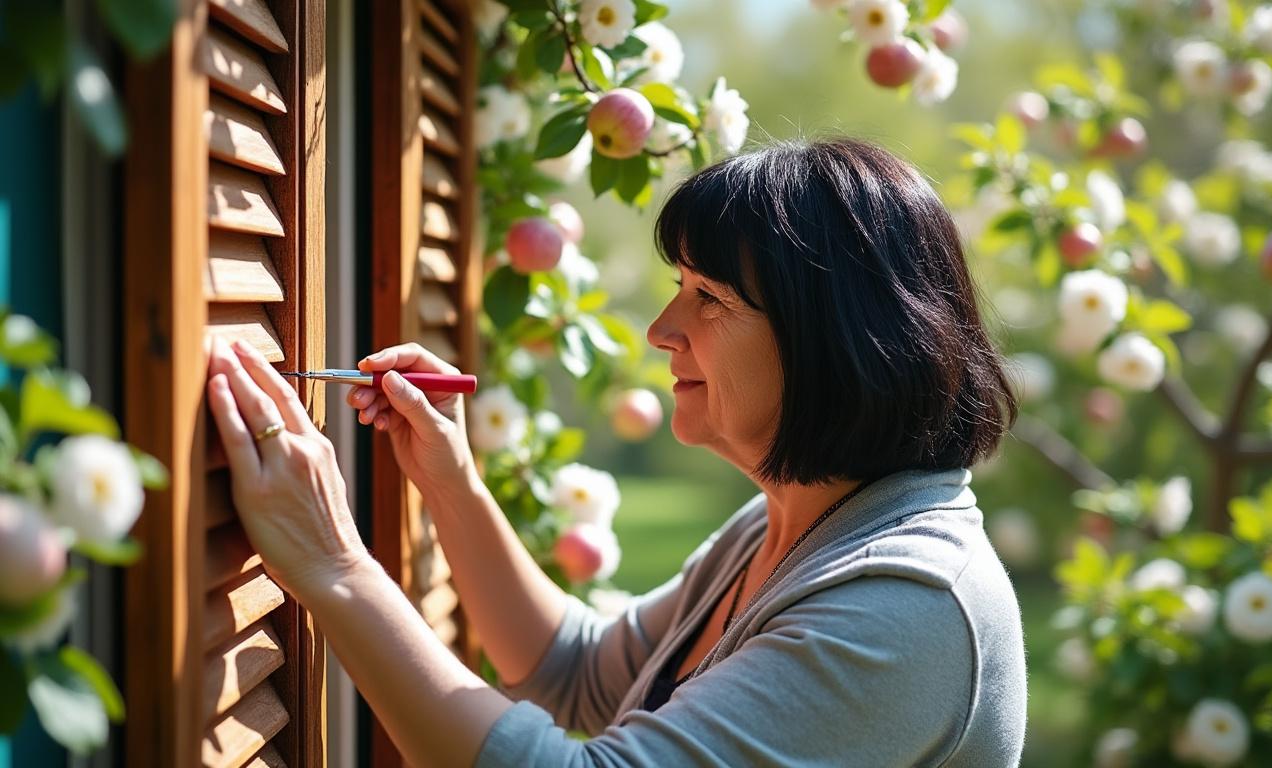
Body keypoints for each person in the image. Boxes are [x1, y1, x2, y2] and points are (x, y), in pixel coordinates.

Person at [205, 138, 1028, 767]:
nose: (662, 331)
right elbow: (578, 674)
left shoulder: (906, 610)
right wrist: (449, 484)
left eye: (707, 299)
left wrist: (338, 570)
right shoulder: (791, 525)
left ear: (834, 342)